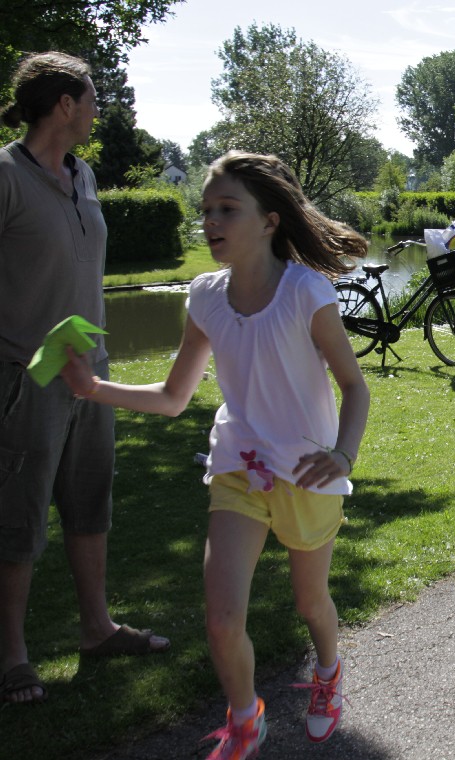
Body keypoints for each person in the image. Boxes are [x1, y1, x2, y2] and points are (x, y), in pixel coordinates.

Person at [61, 151, 371, 758]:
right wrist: (93, 388)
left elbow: (354, 386)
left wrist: (344, 455)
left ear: (270, 220)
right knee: (222, 619)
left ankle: (328, 673)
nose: (210, 221)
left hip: (309, 472)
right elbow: (174, 397)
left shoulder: (305, 292)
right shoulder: (204, 297)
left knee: (310, 602)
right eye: (206, 210)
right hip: (237, 469)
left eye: (227, 209)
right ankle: (245, 719)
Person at [0, 51, 170, 705]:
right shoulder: (6, 176)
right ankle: (12, 656)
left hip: (90, 374)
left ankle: (97, 629)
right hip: (23, 377)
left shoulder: (86, 174)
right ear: (65, 105)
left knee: (90, 502)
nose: (99, 111)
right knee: (18, 515)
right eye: (93, 99)